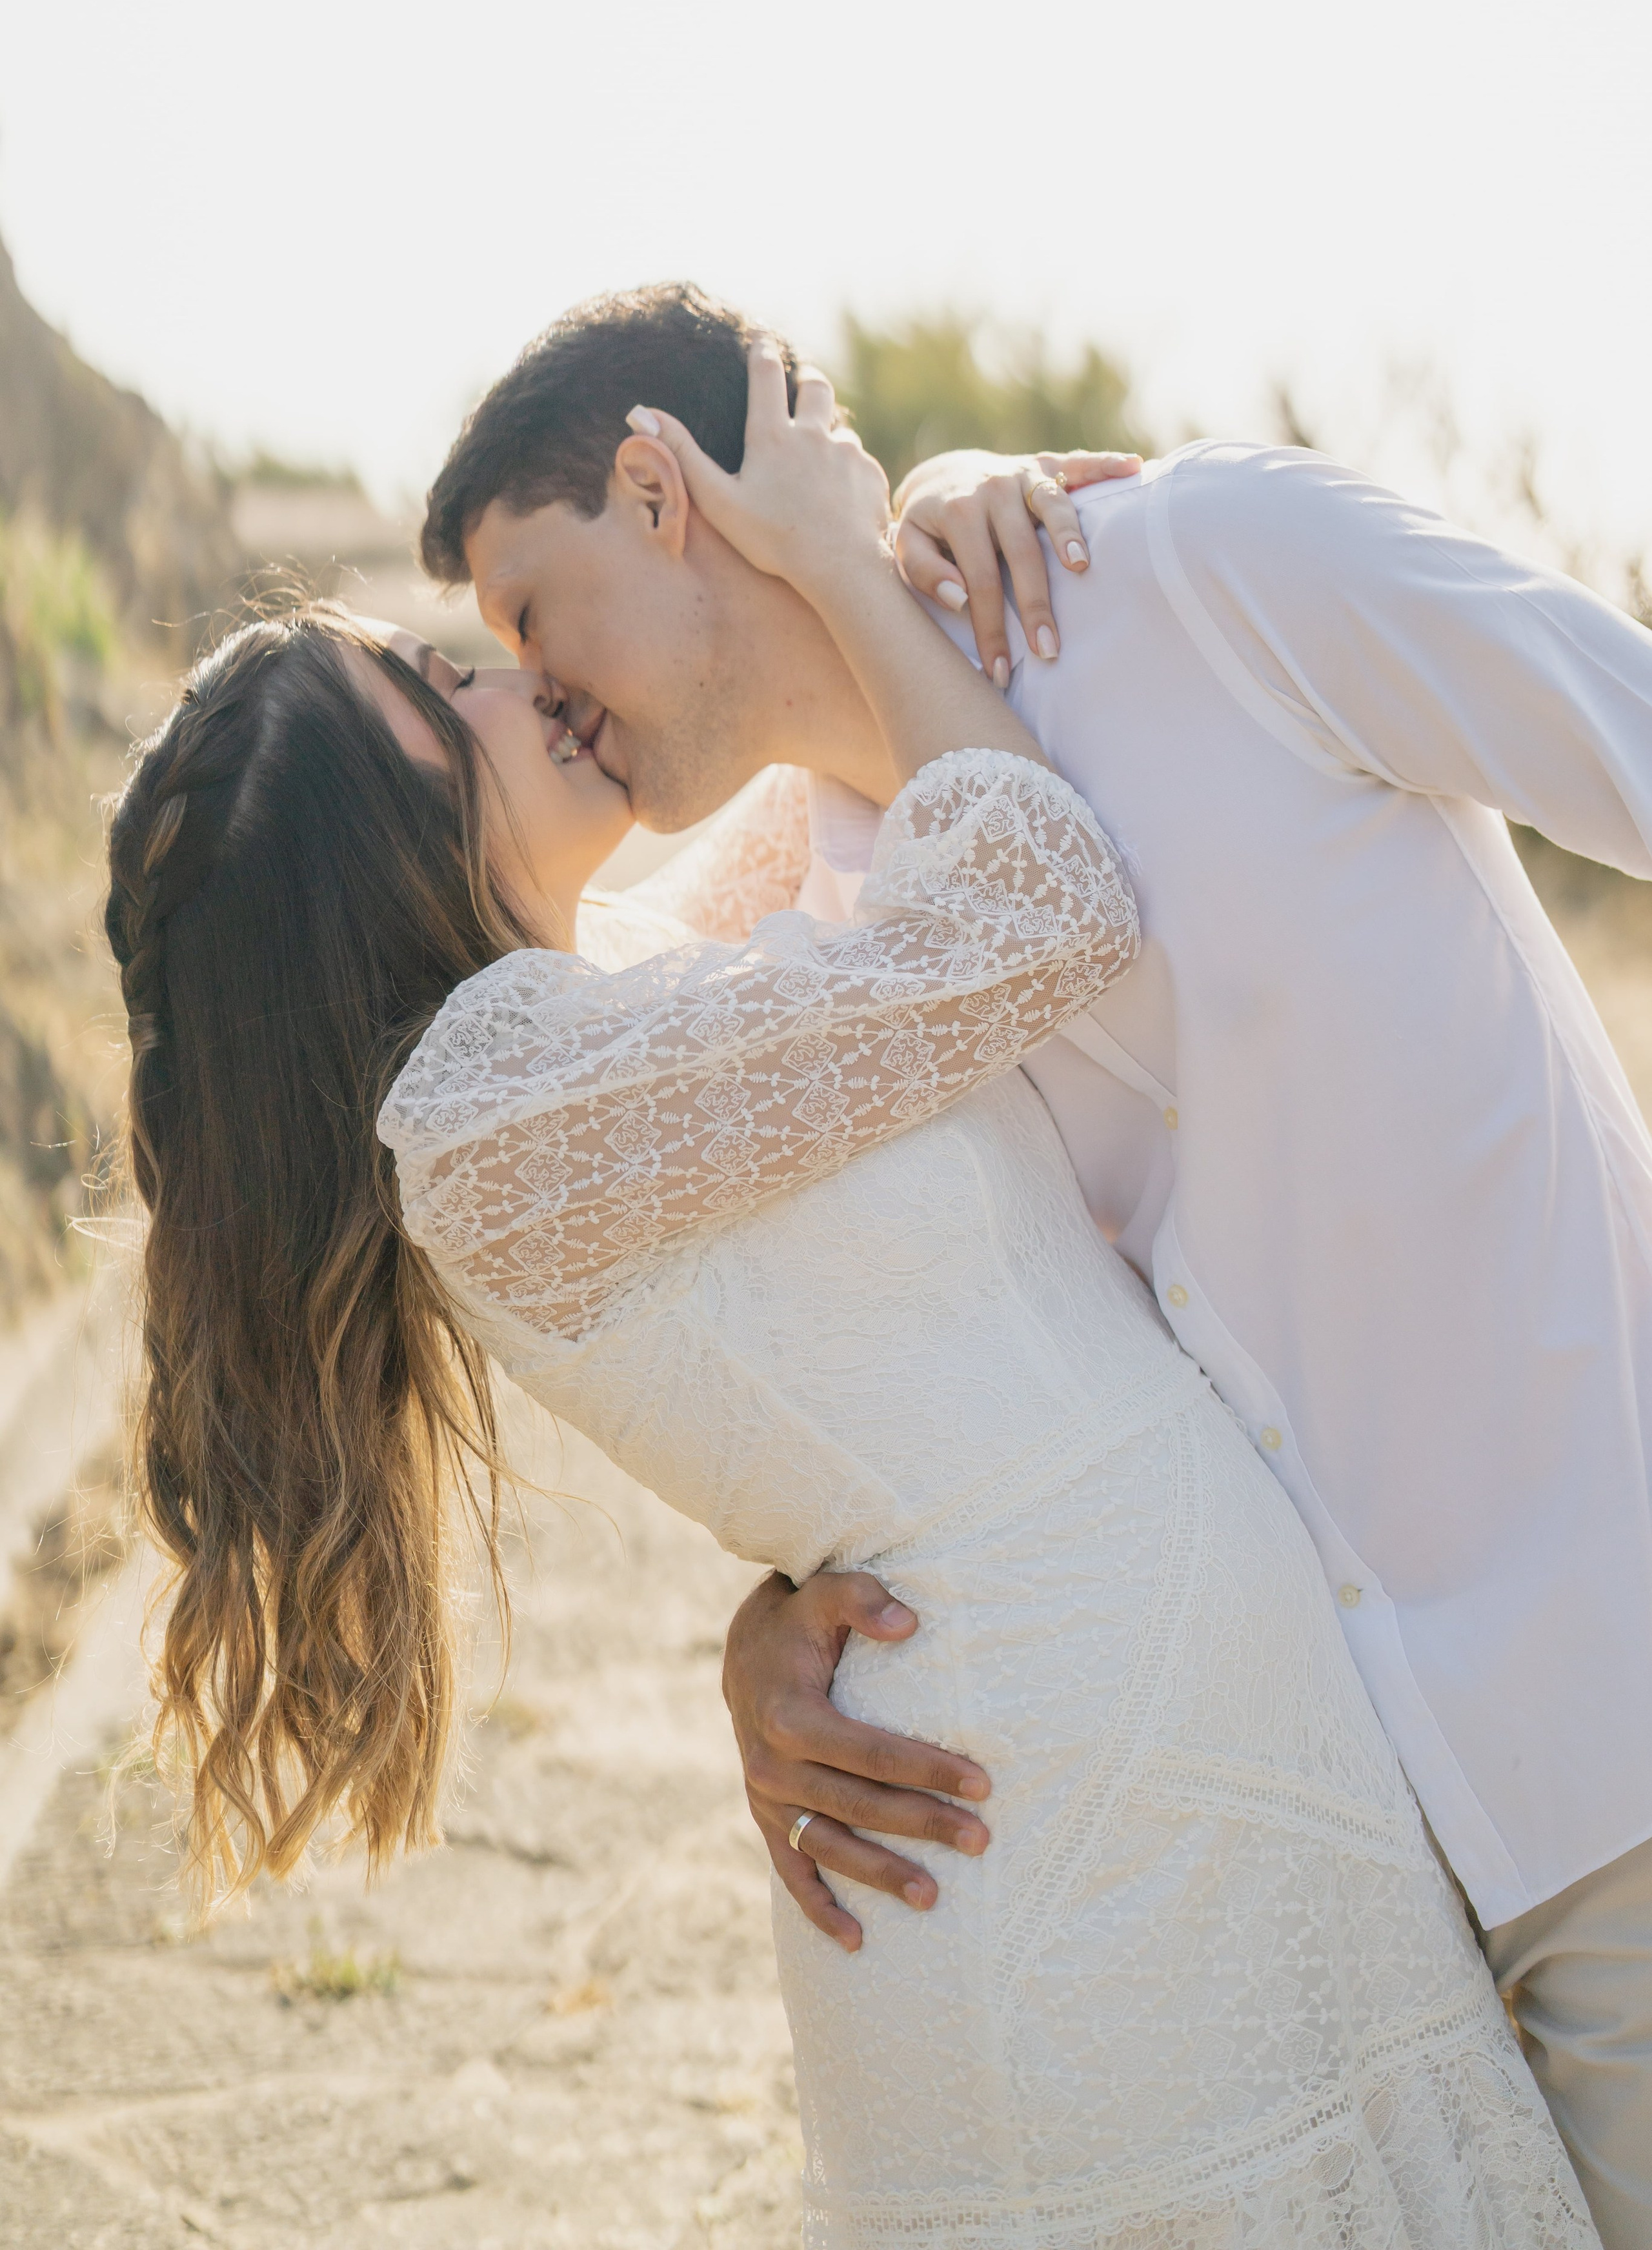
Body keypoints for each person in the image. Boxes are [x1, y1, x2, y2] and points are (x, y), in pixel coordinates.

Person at [105, 345, 1590, 2246]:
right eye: (434, 685)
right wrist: (872, 566)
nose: (509, 678)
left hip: (1189, 1796)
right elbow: (1036, 896)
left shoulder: (603, 1005)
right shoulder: (493, 1109)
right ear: (348, 840)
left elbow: (809, 740)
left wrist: (924, 522)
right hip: (1074, 1871)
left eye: (490, 639)